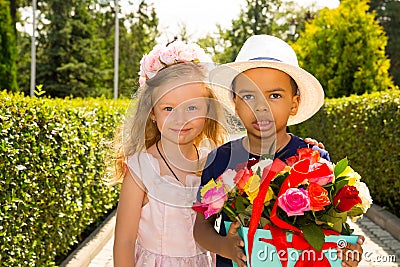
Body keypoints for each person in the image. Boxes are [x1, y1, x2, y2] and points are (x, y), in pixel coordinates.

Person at [193, 35, 365, 267]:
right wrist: (224, 246)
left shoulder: (313, 160)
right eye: (248, 96)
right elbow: (201, 227)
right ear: (235, 102)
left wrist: (346, 251)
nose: (261, 106)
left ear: (293, 104)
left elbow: (329, 231)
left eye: (274, 95)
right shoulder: (220, 159)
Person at [112, 41, 229, 266]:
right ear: (152, 112)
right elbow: (124, 242)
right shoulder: (142, 168)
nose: (180, 118)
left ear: (208, 109)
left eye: (192, 107)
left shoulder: (212, 160)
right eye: (168, 108)